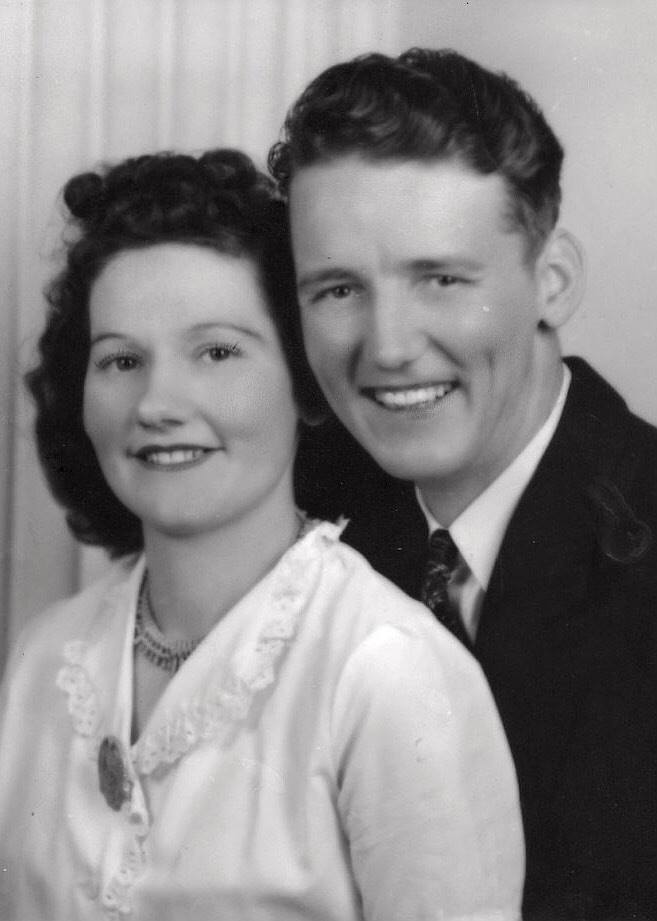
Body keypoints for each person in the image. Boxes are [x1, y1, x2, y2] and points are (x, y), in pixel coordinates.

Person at [0, 149, 523, 921]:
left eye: (216, 351)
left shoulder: (387, 672)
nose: (156, 402)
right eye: (120, 360)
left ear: (305, 387)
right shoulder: (43, 658)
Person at [269, 48, 657, 921]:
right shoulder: (287, 511)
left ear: (550, 282)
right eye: (336, 289)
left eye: (439, 278)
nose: (388, 346)